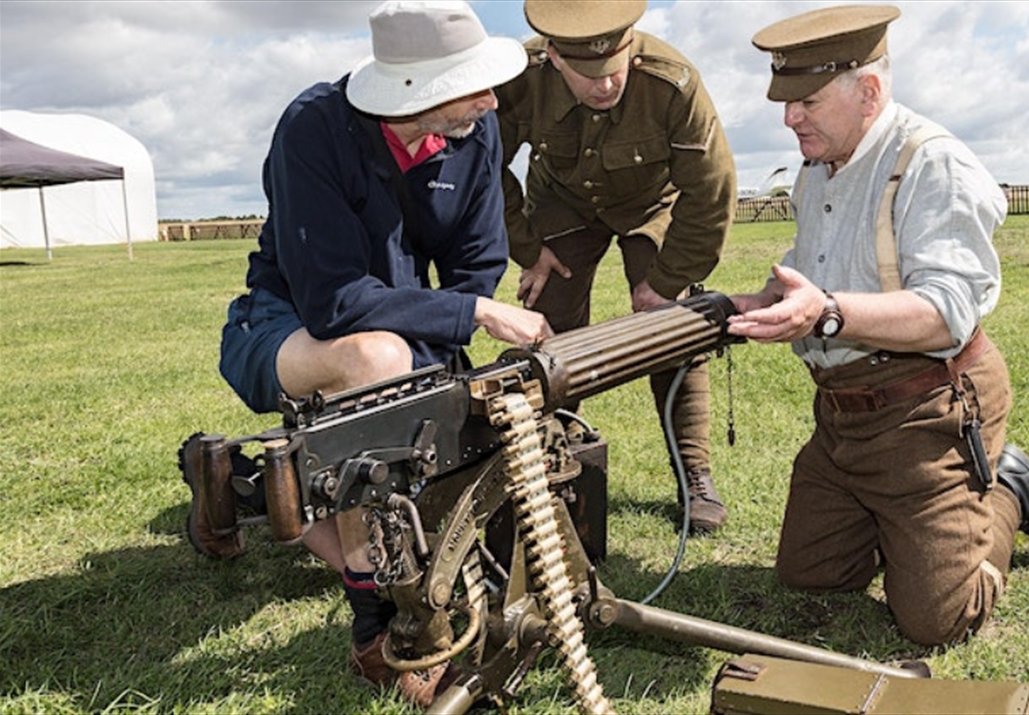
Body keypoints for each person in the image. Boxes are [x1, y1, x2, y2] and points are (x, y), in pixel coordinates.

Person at [180, 0, 551, 705]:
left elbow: (476, 262)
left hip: (400, 335)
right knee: (379, 370)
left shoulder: (475, 130)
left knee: (424, 435)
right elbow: (333, 301)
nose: (492, 99)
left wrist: (443, 364)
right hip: (285, 322)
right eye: (471, 84)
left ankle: (241, 485)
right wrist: (470, 315)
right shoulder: (312, 129)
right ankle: (378, 629)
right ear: (416, 90)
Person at [728, 5, 1029, 647]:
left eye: (805, 101)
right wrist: (749, 303)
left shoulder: (933, 164)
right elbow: (813, 268)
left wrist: (828, 312)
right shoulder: (818, 169)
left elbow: (949, 311)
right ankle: (906, 526)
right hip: (842, 419)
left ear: (868, 91)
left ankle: (1007, 491)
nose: (789, 118)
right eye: (786, 103)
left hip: (927, 408)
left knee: (936, 620)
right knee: (810, 577)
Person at [495, 0, 737, 532]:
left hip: (653, 204)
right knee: (548, 323)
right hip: (562, 203)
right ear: (554, 56)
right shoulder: (520, 80)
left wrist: (665, 282)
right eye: (587, 73)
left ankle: (694, 473)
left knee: (673, 325)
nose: (605, 85)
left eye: (615, 67)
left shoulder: (673, 83)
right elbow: (483, 165)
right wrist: (529, 249)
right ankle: (542, 464)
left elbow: (712, 193)